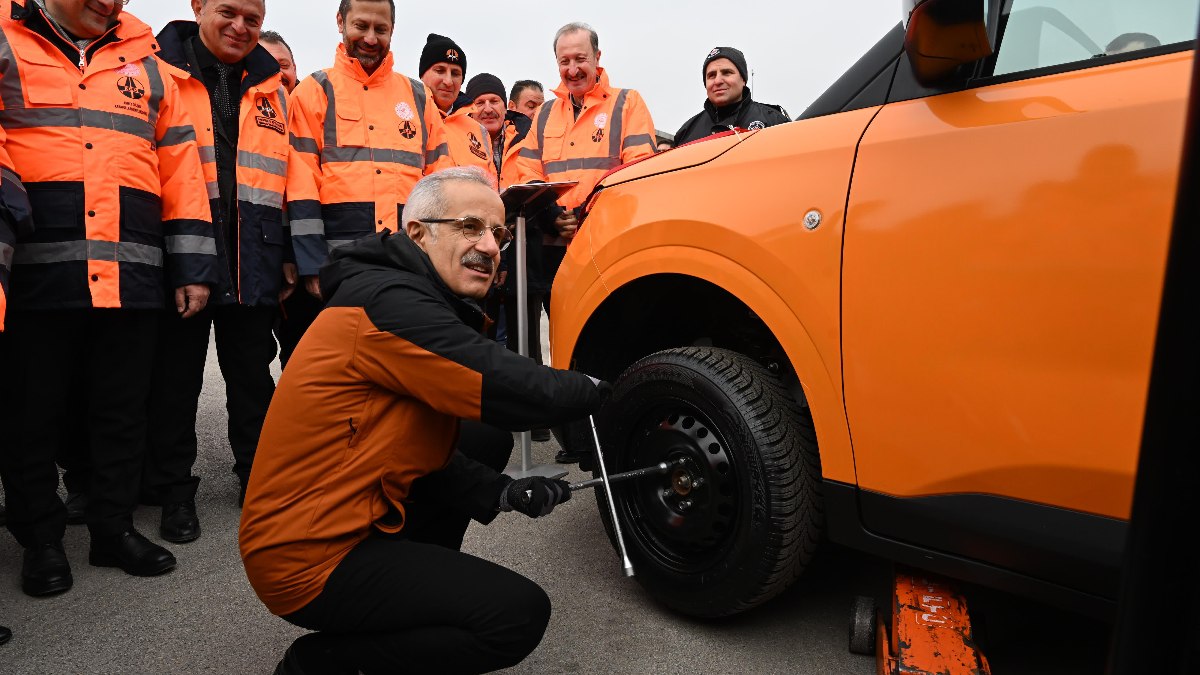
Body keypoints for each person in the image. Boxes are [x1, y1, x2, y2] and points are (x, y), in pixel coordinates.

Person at [240, 167, 605, 674]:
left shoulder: (405, 292)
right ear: (418, 233)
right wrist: (605, 392)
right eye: (469, 227)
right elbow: (504, 383)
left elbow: (411, 445)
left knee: (481, 436)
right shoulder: (388, 303)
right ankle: (322, 664)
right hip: (307, 556)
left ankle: (411, 601)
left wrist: (502, 492)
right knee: (515, 616)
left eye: (497, 234)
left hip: (352, 515)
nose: (491, 246)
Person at [0, 0, 216, 596]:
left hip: (132, 274)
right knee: (32, 414)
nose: (111, 2)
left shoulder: (147, 63)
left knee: (121, 411)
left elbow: (183, 172)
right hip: (36, 275)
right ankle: (40, 539)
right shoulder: (6, 40)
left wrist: (193, 268)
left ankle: (112, 528)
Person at [141, 0, 290, 543]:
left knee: (252, 379)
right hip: (186, 253)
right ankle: (174, 493)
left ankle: (259, 481)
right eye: (228, 11)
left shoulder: (273, 89)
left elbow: (284, 177)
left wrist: (287, 255)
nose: (240, 27)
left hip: (253, 256)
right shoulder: (159, 70)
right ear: (198, 6)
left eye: (252, 18)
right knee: (175, 383)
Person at [513, 21, 656, 461]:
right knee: (566, 344)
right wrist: (553, 214)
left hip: (606, 245)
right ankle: (575, 439)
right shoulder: (543, 116)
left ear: (597, 58)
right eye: (564, 61)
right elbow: (526, 173)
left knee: (614, 339)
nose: (573, 69)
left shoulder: (627, 104)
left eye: (580, 59)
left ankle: (622, 432)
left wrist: (589, 216)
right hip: (557, 247)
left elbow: (640, 168)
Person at [283, 0, 450, 356]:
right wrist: (312, 263)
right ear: (340, 21)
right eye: (361, 26)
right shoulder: (315, 90)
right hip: (338, 262)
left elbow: (441, 183)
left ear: (392, 30)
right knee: (334, 368)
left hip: (407, 262)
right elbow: (300, 183)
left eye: (381, 29)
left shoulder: (418, 97)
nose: (371, 38)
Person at [466, 73, 552, 442]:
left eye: (495, 101)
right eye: (480, 102)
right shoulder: (462, 138)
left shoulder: (529, 135)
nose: (488, 108)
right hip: (477, 251)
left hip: (523, 251)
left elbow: (540, 182)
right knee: (479, 337)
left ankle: (536, 421)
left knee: (527, 341)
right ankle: (488, 422)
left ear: (506, 106)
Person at [673, 47, 789, 146]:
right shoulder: (686, 133)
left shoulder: (775, 122)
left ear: (743, 79)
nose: (718, 81)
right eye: (711, 75)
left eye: (726, 73)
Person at [419, 33, 493, 173]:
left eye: (455, 73)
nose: (448, 81)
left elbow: (491, 186)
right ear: (422, 75)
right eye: (440, 71)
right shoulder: (409, 117)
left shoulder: (479, 131)